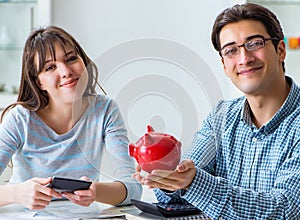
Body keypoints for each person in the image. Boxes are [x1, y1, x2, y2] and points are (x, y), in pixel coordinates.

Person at [133, 3, 300, 219]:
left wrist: (194, 182)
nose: (244, 58)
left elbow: (287, 210)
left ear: (280, 50)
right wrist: (166, 173)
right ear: (224, 65)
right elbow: (182, 183)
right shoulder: (221, 117)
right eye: (231, 50)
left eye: (254, 43)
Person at [0, 25, 142, 210]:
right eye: (50, 67)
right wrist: (17, 194)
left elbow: (133, 189)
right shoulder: (20, 118)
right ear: (39, 82)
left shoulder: (105, 110)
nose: (65, 71)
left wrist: (95, 192)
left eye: (71, 58)